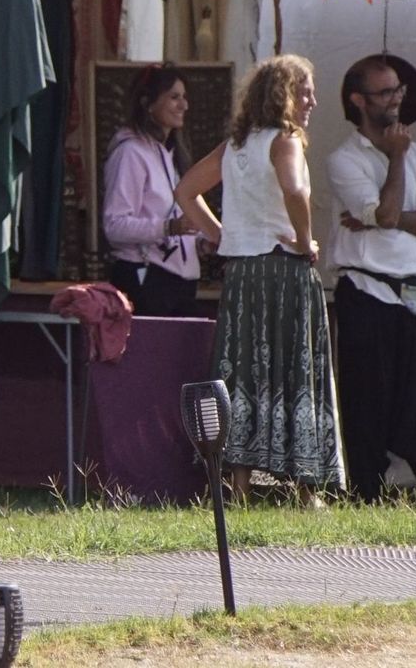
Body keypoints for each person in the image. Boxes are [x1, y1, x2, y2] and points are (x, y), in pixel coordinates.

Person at [174, 55, 344, 503]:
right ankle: (306, 490)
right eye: (304, 92)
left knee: (243, 370)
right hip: (283, 268)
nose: (312, 101)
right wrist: (305, 240)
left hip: (243, 273)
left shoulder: (235, 146)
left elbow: (186, 191)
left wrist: (222, 235)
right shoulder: (285, 141)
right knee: (294, 369)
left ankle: (240, 485)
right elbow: (295, 190)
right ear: (284, 95)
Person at [328, 55, 416, 502]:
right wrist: (397, 158)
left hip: (415, 290)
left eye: (398, 91)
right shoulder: (345, 159)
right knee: (369, 399)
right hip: (367, 289)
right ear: (359, 100)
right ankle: (366, 492)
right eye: (385, 92)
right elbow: (384, 213)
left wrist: (388, 217)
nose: (395, 99)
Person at [101, 63, 205, 317]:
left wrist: (201, 243)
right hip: (146, 279)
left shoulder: (171, 157)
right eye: (174, 97)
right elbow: (114, 225)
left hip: (180, 284)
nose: (184, 105)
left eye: (184, 97)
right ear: (148, 103)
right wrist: (169, 228)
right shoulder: (130, 153)